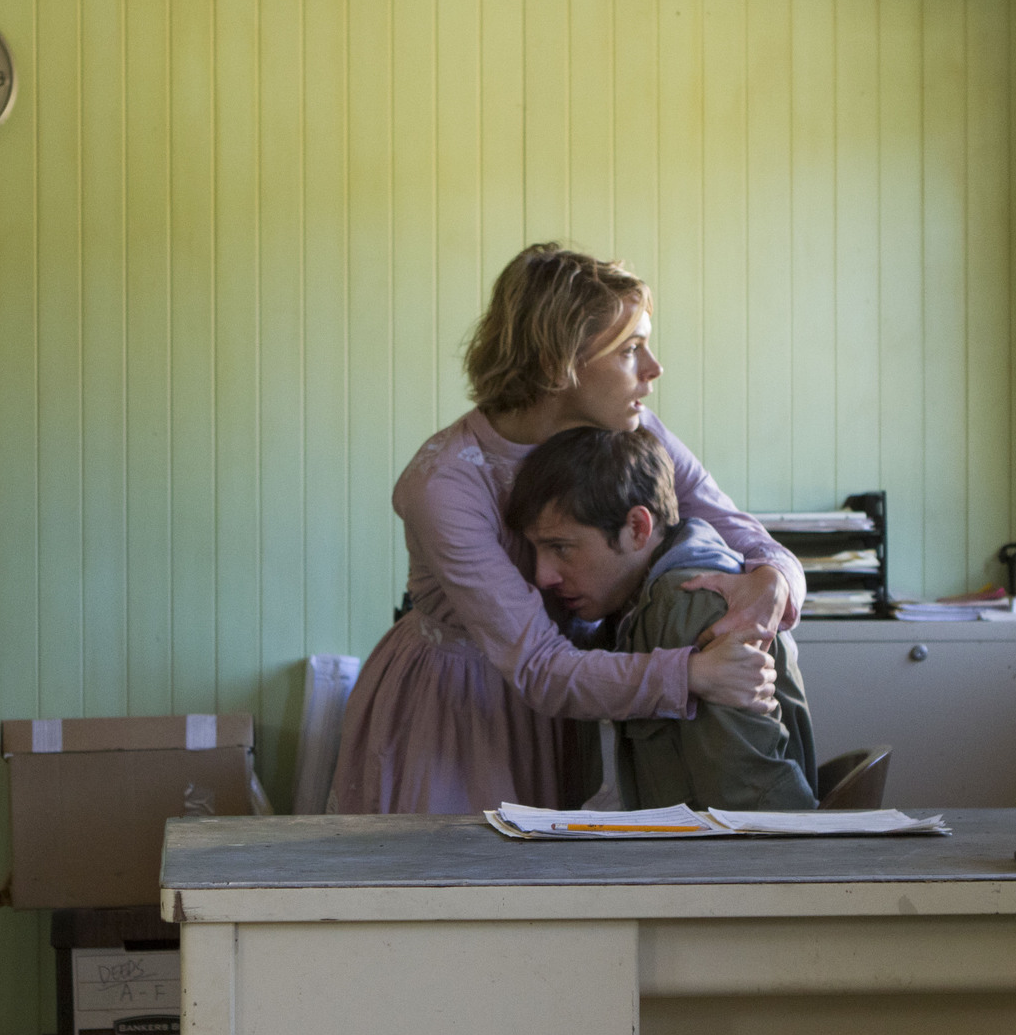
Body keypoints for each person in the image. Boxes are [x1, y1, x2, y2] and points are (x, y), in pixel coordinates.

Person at [331, 243, 806, 813]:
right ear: (561, 361)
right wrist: (690, 674)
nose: (654, 370)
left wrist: (774, 580)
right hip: (466, 711)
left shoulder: (634, 432)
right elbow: (536, 667)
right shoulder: (446, 484)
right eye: (631, 350)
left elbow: (745, 534)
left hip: (587, 696)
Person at [504, 426, 817, 811]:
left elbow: (760, 810)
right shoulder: (631, 604)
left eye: (561, 548)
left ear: (638, 528)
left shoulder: (690, 605)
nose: (542, 576)